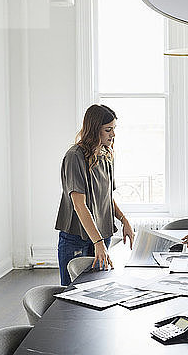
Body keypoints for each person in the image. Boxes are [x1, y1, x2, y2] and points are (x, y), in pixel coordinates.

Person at [54, 104, 134, 286]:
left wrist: (124, 220)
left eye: (114, 129)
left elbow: (106, 198)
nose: (113, 134)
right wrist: (97, 242)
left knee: (98, 290)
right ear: (93, 129)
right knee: (72, 294)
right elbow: (79, 204)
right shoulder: (74, 156)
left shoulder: (106, 155)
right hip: (77, 238)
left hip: (101, 235)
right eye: (108, 130)